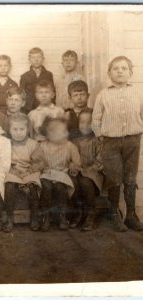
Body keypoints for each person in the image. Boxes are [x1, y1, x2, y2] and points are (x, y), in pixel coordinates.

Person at [92, 55, 143, 232]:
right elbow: (96, 118)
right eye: (115, 68)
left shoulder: (138, 93)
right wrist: (101, 136)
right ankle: (115, 214)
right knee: (114, 178)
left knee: (130, 177)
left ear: (130, 73)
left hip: (132, 141)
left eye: (124, 68)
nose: (120, 71)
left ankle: (131, 215)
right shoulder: (103, 94)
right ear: (109, 73)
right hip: (110, 142)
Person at [31, 117, 81, 231]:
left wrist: (74, 166)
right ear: (50, 135)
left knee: (60, 188)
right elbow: (35, 159)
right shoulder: (43, 146)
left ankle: (61, 216)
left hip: (62, 174)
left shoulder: (70, 146)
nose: (67, 133)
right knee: (46, 187)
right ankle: (45, 216)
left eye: (66, 131)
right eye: (62, 132)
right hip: (47, 173)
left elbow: (76, 162)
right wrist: (39, 164)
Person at [4, 114, 41, 232]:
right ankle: (9, 218)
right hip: (12, 172)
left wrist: (29, 172)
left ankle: (34, 217)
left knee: (33, 187)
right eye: (15, 129)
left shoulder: (33, 144)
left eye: (22, 129)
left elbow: (39, 162)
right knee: (9, 187)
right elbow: (3, 161)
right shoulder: (6, 144)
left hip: (28, 172)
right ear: (9, 130)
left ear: (27, 130)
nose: (18, 132)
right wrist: (12, 170)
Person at [72, 110, 104, 231]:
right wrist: (73, 166)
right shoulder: (74, 141)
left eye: (89, 122)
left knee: (85, 181)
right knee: (73, 181)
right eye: (82, 122)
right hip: (78, 172)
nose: (85, 125)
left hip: (94, 174)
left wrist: (88, 170)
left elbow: (100, 162)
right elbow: (69, 157)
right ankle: (79, 212)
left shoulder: (97, 141)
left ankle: (91, 213)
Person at [20, 47, 54, 113]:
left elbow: (52, 93)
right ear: (29, 60)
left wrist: (52, 107)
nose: (36, 60)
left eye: (38, 57)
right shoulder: (24, 76)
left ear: (43, 59)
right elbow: (21, 95)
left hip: (45, 107)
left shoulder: (48, 75)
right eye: (33, 57)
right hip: (29, 108)